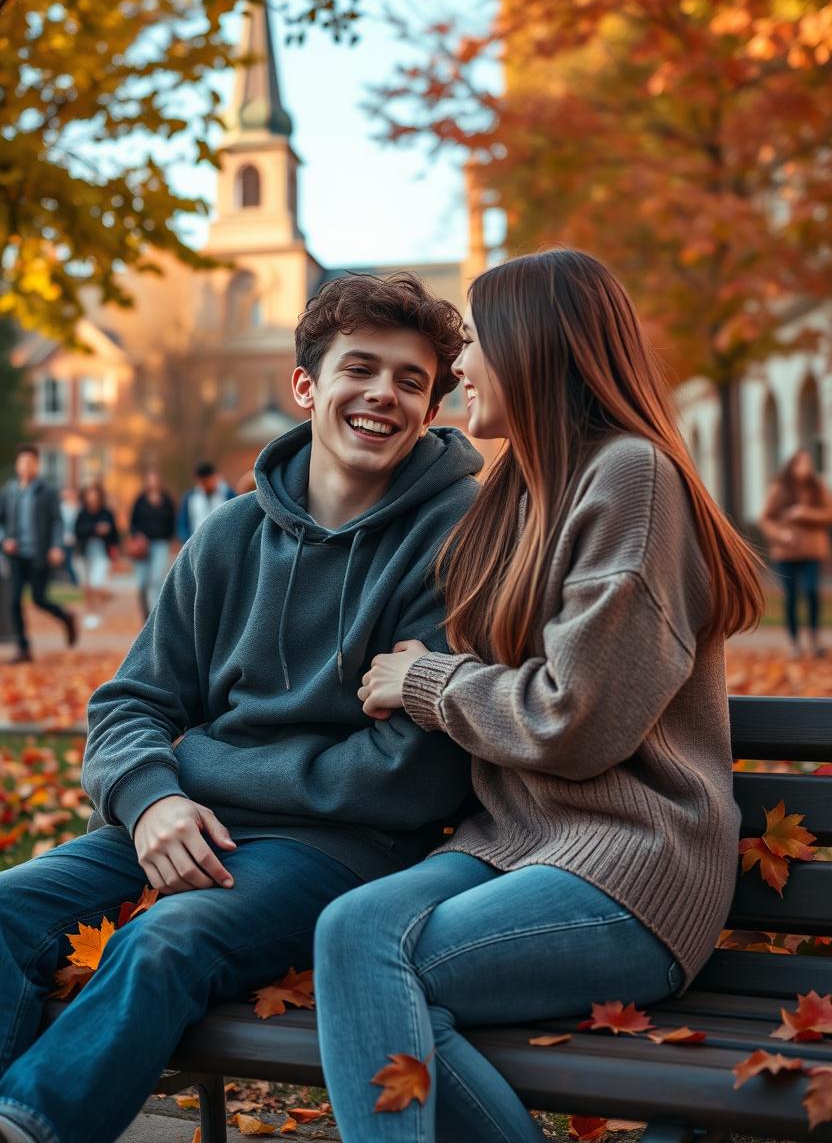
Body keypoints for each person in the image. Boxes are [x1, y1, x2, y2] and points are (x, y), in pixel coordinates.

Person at [0, 272, 482, 1143]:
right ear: (307, 387)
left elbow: (416, 770)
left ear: (431, 406)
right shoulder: (229, 534)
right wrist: (152, 798)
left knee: (164, 943)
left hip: (341, 850)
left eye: (411, 381)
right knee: (8, 909)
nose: (383, 395)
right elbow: (131, 702)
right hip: (185, 816)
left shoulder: (456, 541)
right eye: (360, 370)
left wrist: (206, 770)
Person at [312, 249, 765, 1143]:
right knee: (347, 931)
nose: (458, 368)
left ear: (533, 348)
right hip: (513, 845)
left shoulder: (632, 477)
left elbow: (576, 720)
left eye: (473, 342)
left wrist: (427, 681)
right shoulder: (513, 492)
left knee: (382, 968)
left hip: (631, 866)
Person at [0, 446, 77, 663]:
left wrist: (56, 547)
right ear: (17, 465)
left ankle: (66, 617)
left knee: (39, 599)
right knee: (14, 601)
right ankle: (24, 649)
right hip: (16, 556)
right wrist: (5, 540)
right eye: (22, 462)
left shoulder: (47, 492)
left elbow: (57, 522)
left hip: (39, 555)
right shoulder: (9, 491)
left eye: (30, 463)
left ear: (36, 465)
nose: (26, 467)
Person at [759, 448, 832, 659]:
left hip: (812, 551)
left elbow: (829, 514)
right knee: (791, 597)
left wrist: (804, 513)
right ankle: (794, 642)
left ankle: (815, 638)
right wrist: (780, 535)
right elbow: (766, 518)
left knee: (811, 592)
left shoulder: (818, 489)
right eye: (801, 463)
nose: (805, 467)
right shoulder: (779, 489)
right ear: (792, 466)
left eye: (808, 463)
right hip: (786, 553)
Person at [128, 470, 177, 622]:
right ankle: (145, 615)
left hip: (160, 544)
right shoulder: (140, 500)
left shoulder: (167, 501)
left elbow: (172, 522)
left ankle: (155, 616)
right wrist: (138, 535)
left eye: (155, 479)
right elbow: (132, 523)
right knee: (142, 582)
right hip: (142, 547)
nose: (153, 483)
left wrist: (171, 539)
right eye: (150, 479)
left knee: (156, 579)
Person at [74, 483, 119, 631]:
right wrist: (95, 529)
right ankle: (90, 613)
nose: (92, 498)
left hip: (101, 554)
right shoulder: (82, 513)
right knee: (87, 586)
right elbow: (78, 531)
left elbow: (114, 534)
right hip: (84, 554)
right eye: (89, 494)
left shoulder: (107, 513)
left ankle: (98, 613)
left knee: (96, 584)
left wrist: (115, 552)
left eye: (95, 494)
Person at [176, 461, 235, 541]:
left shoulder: (228, 494)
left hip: (223, 542)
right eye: (201, 482)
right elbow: (183, 524)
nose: (204, 485)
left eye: (206, 481)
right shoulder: (189, 497)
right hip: (197, 544)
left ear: (214, 477)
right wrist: (188, 541)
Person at [58, 487, 80, 586]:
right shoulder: (61, 507)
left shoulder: (78, 507)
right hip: (64, 539)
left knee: (72, 561)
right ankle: (73, 580)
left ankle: (75, 581)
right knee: (67, 561)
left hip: (75, 539)